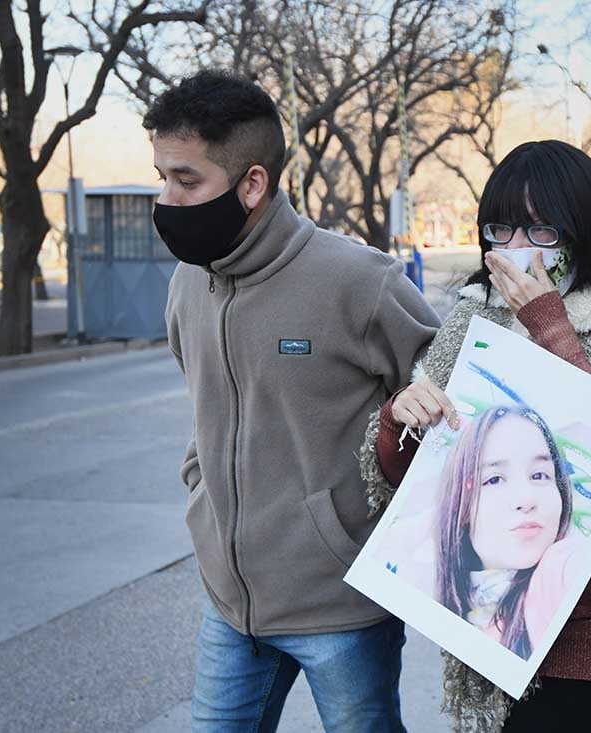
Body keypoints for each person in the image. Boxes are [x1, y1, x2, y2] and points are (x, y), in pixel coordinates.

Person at [358, 139, 591, 732]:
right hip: (490, 614)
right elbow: (413, 475)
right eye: (502, 228)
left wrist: (547, 322)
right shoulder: (475, 307)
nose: (517, 249)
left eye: (542, 230)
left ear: (584, 227)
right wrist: (399, 417)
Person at [149, 70, 440, 732]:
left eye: (185, 179)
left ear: (252, 183)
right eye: (161, 175)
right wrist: (203, 488)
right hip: (230, 606)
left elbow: (448, 384)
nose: (164, 197)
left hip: (342, 610)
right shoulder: (187, 283)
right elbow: (205, 401)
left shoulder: (359, 281)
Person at [435, 405, 580, 661]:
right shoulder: (455, 598)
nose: (525, 499)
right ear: (461, 504)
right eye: (494, 479)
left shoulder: (562, 564)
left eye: (539, 475)